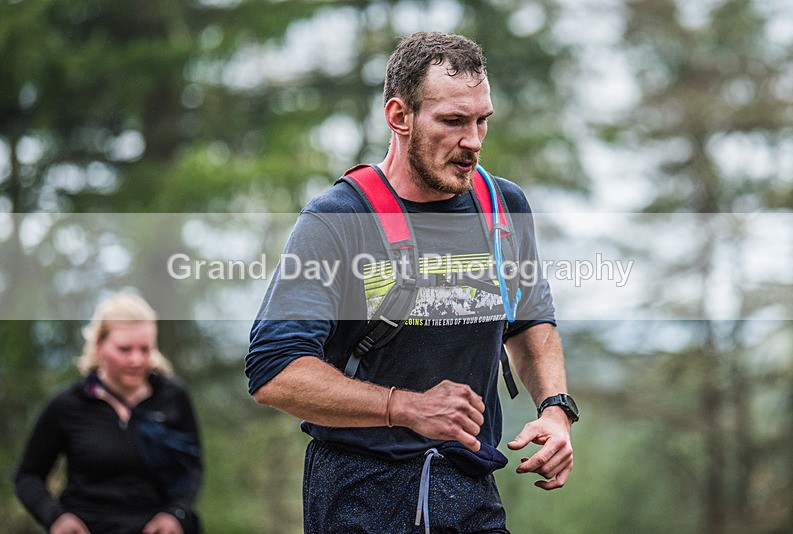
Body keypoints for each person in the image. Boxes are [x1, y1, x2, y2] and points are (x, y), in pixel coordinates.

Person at [246, 31, 577, 533]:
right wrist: (405, 407)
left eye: (481, 121)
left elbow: (528, 322)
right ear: (399, 117)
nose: (473, 141)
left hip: (470, 494)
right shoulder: (336, 218)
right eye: (452, 122)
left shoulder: (503, 208)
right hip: (359, 497)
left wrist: (555, 410)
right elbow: (275, 371)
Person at [15, 293, 203, 534]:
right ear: (98, 345)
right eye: (124, 349)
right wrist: (56, 518)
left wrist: (176, 514)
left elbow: (192, 469)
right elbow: (28, 477)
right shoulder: (68, 405)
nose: (136, 360)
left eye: (145, 349)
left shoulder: (173, 397)